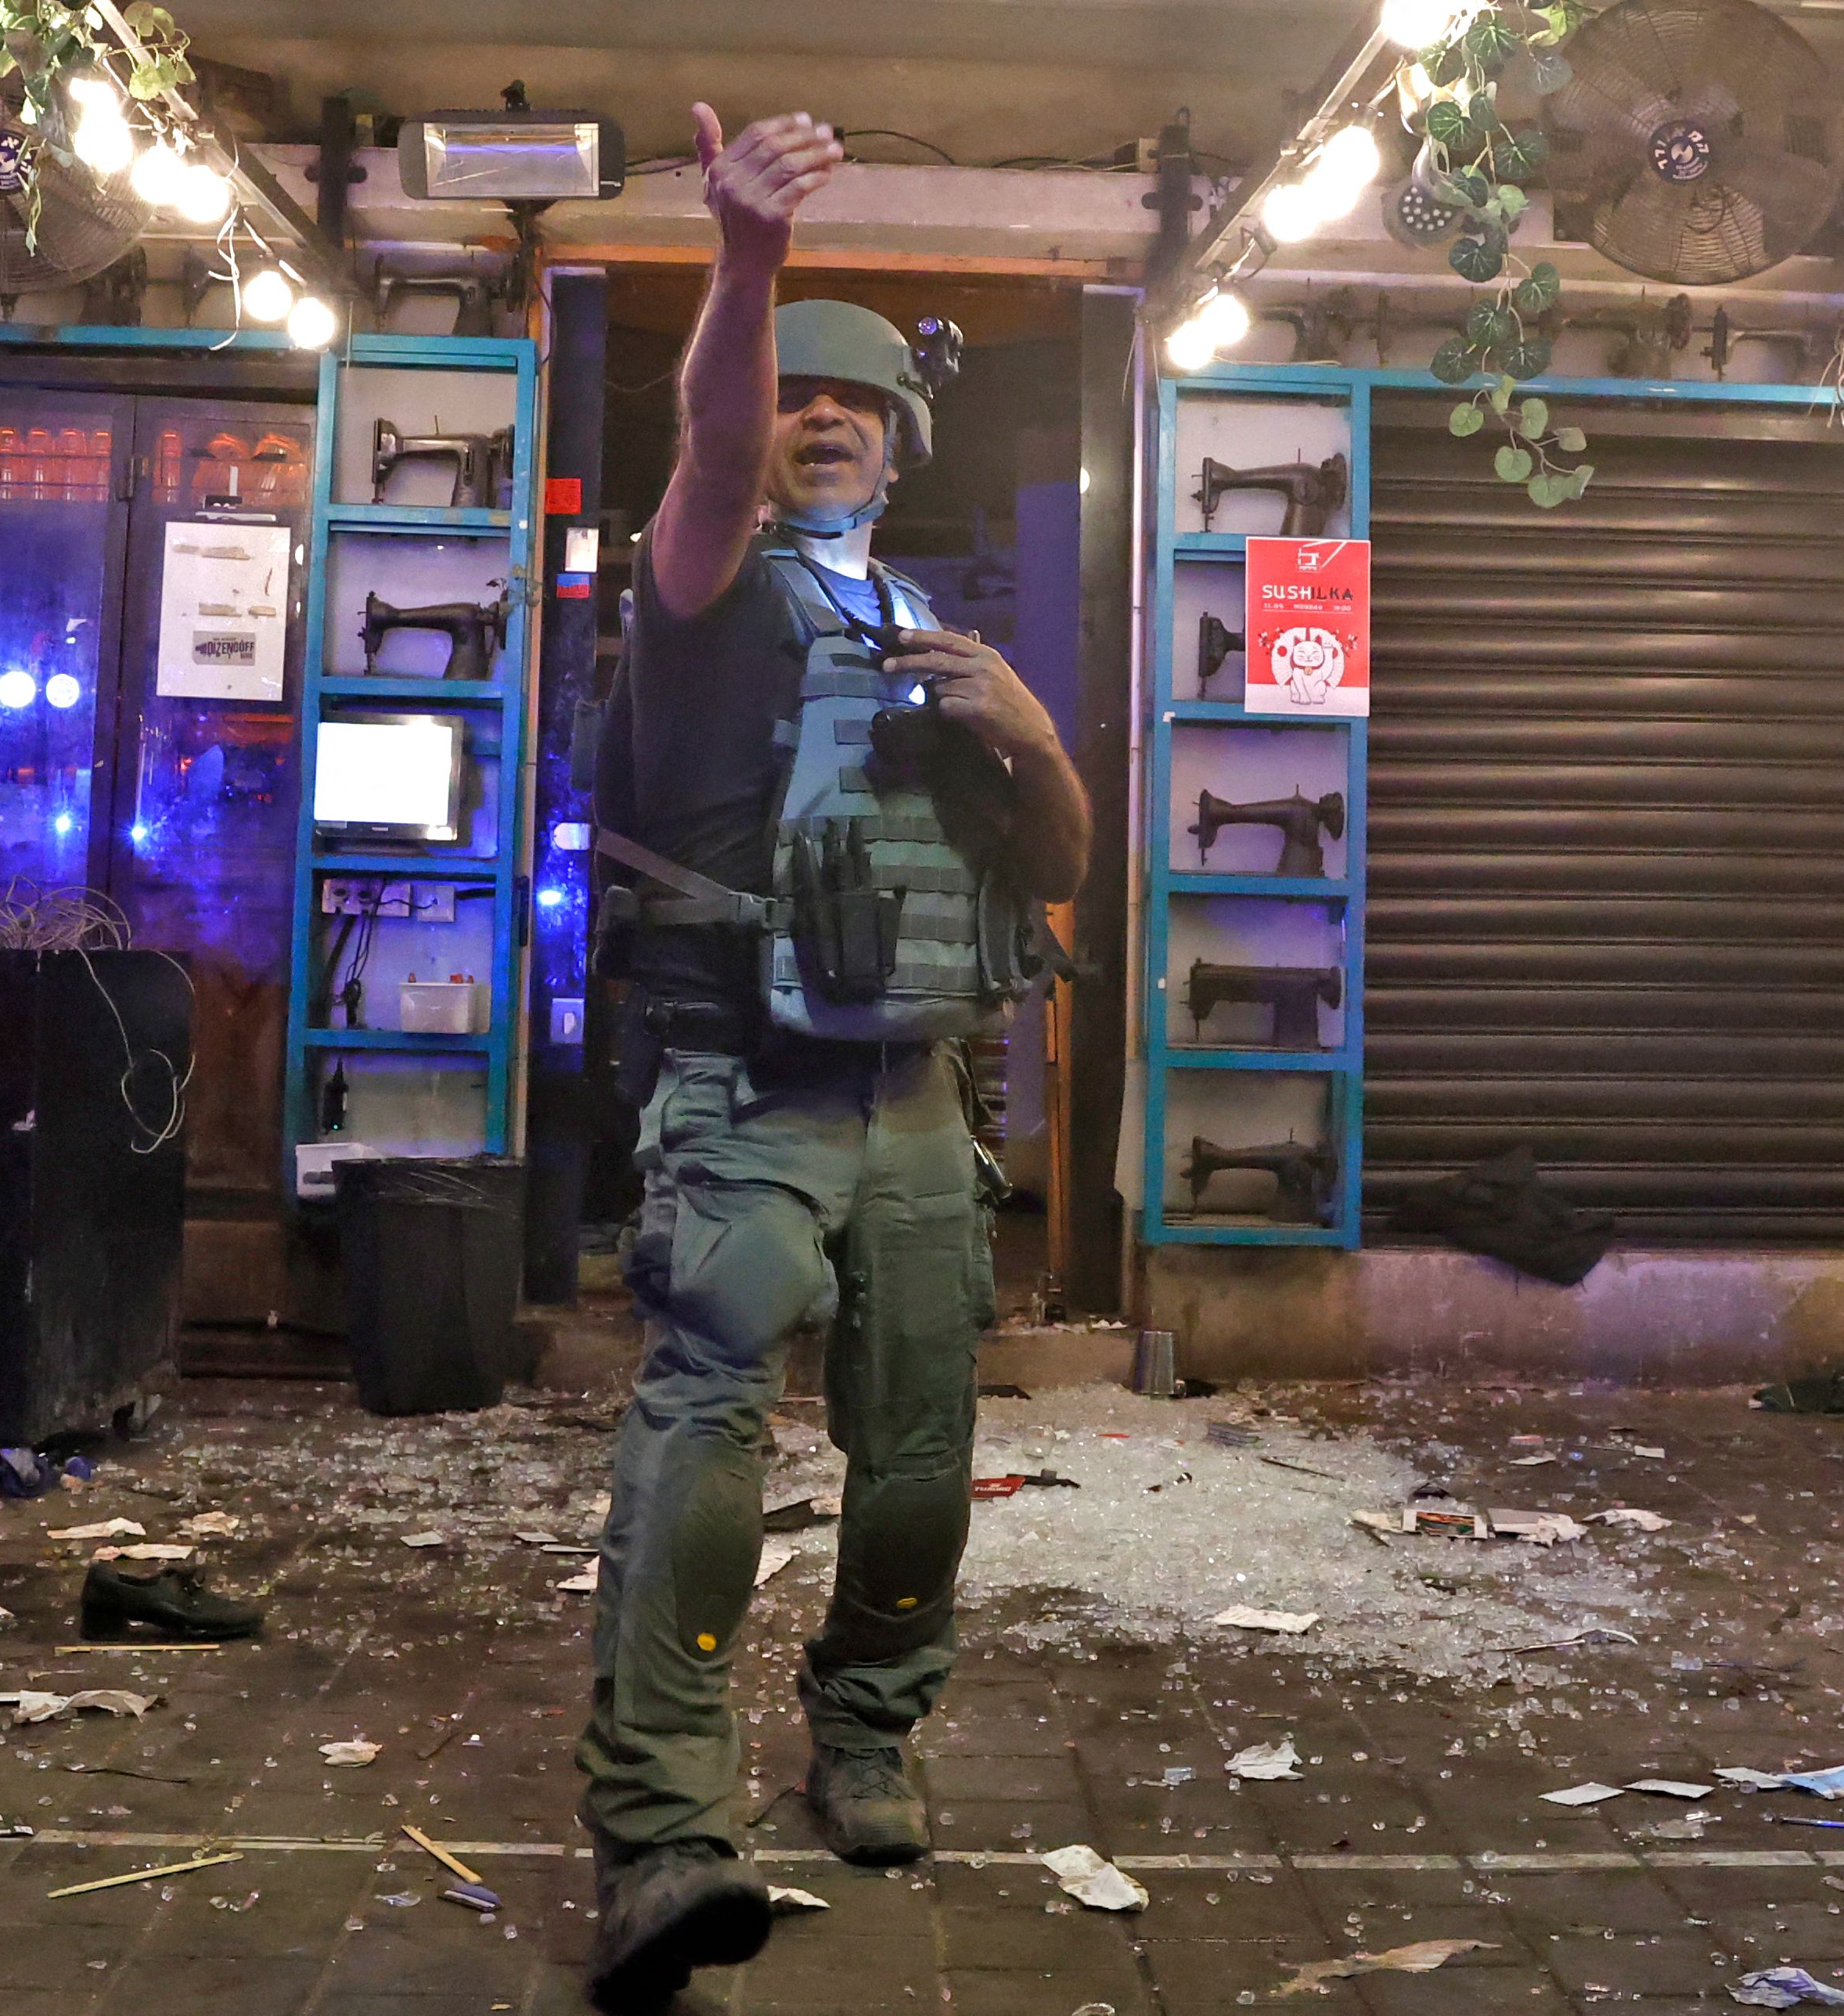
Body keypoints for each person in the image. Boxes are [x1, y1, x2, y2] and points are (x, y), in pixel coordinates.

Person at [578, 106, 1092, 2007]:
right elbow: (708, 452)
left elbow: (1050, 875)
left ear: (903, 440)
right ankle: (658, 1841)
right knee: (704, 1437)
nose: (811, 416)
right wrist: (739, 260)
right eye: (789, 392)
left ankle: (866, 1729)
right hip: (741, 1088)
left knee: (918, 1462)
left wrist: (1030, 731)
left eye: (849, 401)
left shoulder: (929, 633)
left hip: (912, 1092)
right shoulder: (704, 592)